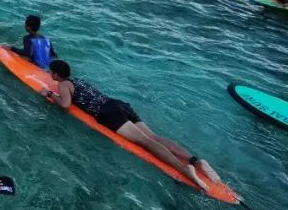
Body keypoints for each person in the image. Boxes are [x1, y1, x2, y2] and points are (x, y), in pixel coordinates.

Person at [42, 60, 221, 192]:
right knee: (154, 136)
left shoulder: (64, 84)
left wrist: (49, 94)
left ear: (57, 75)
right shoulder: (78, 80)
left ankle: (183, 168)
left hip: (108, 113)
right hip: (118, 104)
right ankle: (194, 160)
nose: (50, 75)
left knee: (145, 142)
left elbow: (65, 105)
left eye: (52, 73)